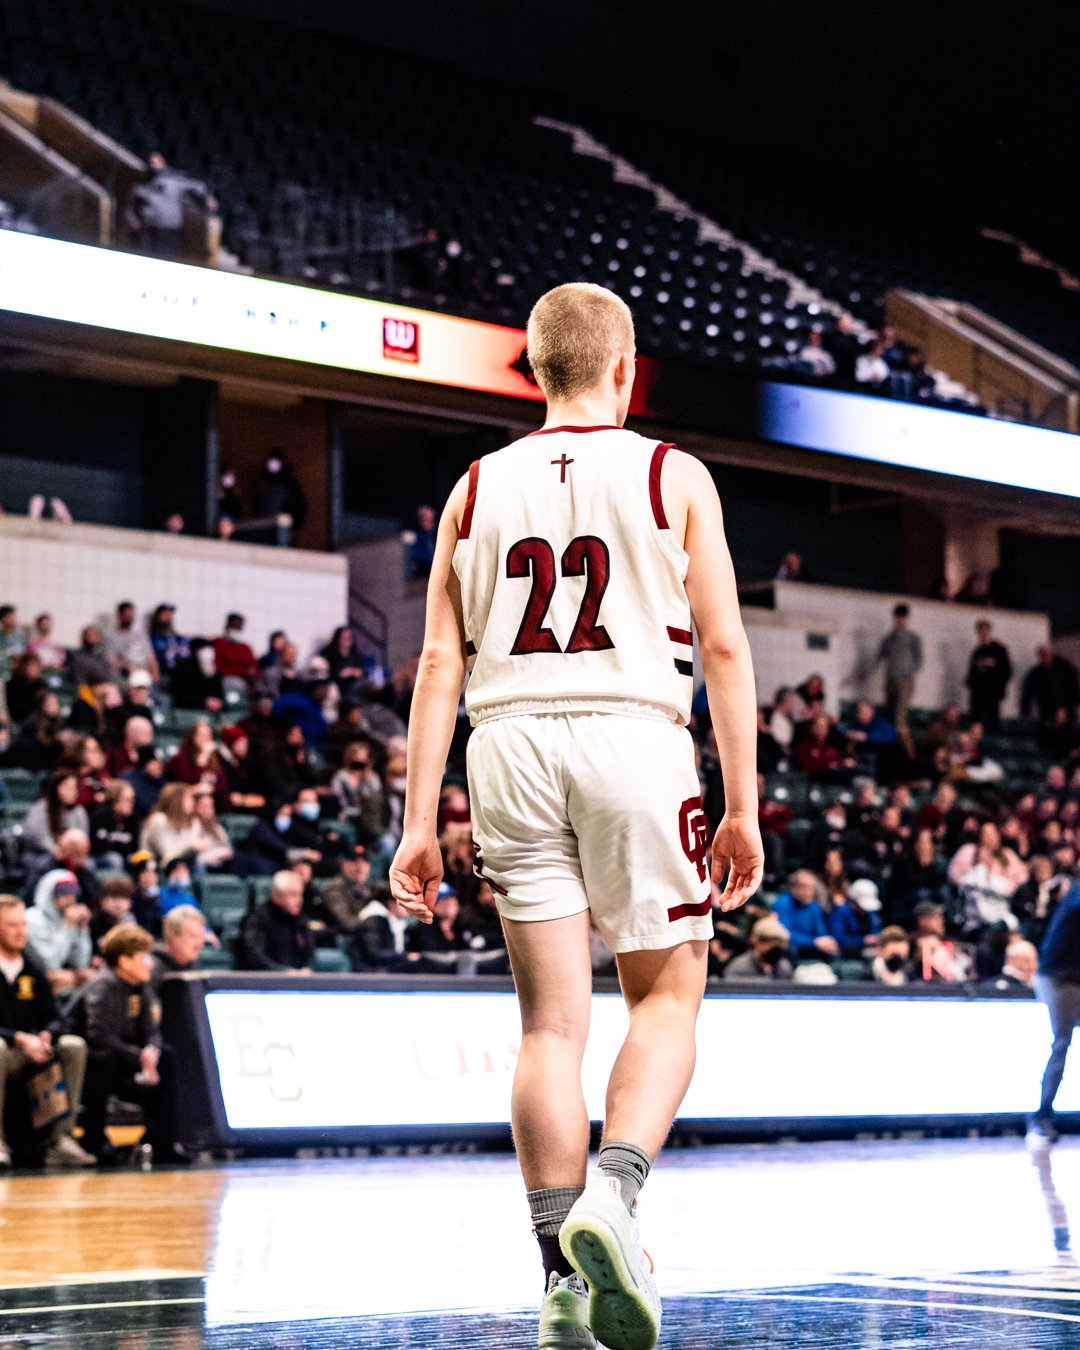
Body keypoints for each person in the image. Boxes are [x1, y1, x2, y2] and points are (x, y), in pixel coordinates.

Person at [388, 282, 762, 1349]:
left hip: (506, 744)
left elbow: (438, 663)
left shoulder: (472, 486)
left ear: (538, 369)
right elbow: (724, 645)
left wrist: (417, 824)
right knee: (668, 998)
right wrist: (742, 803)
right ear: (624, 367)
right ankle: (616, 1193)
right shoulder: (671, 472)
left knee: (550, 1027)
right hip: (632, 733)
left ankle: (560, 1281)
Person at [73, 923, 183, 1164]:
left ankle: (164, 1143)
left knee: (167, 1056)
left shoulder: (140, 987)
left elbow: (152, 1030)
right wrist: (138, 1056)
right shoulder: (104, 985)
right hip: (90, 1063)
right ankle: (93, 1140)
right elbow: (99, 1035)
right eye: (144, 957)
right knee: (104, 1058)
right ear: (124, 961)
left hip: (124, 1059)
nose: (150, 963)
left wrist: (152, 1050)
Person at [0, 895, 95, 1169]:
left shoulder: (34, 968)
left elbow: (55, 1018)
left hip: (31, 1051)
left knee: (73, 1045)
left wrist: (46, 1036)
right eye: (12, 925)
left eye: (23, 924)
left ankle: (60, 1140)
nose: (21, 931)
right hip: (7, 1050)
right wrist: (18, 1038)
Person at [1030, 881, 1080, 1143]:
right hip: (1057, 979)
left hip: (1074, 979)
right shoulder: (1076, 893)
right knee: (1061, 1042)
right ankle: (1042, 1115)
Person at [24, 871, 93, 995]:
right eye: (64, 895)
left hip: (65, 981)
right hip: (33, 979)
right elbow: (51, 963)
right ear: (50, 895)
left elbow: (81, 963)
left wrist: (83, 929)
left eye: (73, 895)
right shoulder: (31, 919)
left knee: (90, 977)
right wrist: (68, 928)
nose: (70, 900)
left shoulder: (68, 917)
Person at [238, 870, 314, 972]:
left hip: (298, 978)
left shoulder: (301, 920)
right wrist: (284, 971)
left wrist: (307, 968)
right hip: (266, 979)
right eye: (293, 895)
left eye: (301, 894)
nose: (300, 900)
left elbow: (310, 955)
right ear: (276, 896)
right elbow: (254, 957)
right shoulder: (257, 919)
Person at [19, 771, 90, 875]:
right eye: (68, 787)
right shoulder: (41, 809)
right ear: (56, 788)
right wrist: (60, 853)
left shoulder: (79, 811)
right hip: (41, 854)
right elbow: (41, 839)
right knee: (47, 864)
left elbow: (82, 838)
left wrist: (73, 855)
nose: (73, 791)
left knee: (89, 865)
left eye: (74, 787)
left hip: (71, 856)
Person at [874, 604, 923, 734]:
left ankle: (901, 741)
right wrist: (867, 670)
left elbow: (919, 659)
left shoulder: (912, 638)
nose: (899, 620)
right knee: (889, 711)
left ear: (906, 619)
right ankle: (889, 739)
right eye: (897, 617)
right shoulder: (889, 638)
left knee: (900, 714)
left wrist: (909, 672)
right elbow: (880, 656)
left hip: (905, 680)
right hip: (890, 679)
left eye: (902, 618)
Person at [771, 871, 840, 961]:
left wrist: (825, 941)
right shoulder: (782, 903)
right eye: (804, 887)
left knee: (832, 949)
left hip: (811, 946)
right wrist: (813, 942)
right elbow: (784, 935)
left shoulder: (814, 906)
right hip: (793, 947)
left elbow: (820, 933)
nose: (809, 892)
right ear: (794, 888)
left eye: (812, 888)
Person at [966, 620, 1012, 733]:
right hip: (978, 694)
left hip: (993, 694)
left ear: (989, 631)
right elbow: (972, 673)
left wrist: (998, 686)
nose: (983, 633)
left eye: (985, 630)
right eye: (980, 631)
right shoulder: (977, 652)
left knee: (992, 721)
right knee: (976, 721)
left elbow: (1007, 671)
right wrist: (971, 683)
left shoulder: (999, 650)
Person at [151, 905, 208, 992]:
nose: (200, 944)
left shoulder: (195, 967)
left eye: (202, 937)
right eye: (194, 936)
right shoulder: (152, 969)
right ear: (174, 936)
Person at [1021, 646, 1080, 728]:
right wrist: (1025, 713)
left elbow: (1074, 686)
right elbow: (1027, 694)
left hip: (1066, 709)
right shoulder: (1036, 674)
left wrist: (1077, 704)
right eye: (1042, 655)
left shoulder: (1065, 668)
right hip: (1049, 711)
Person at [89, 780, 139, 872]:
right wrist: (122, 846)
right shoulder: (100, 815)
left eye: (132, 799)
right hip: (99, 857)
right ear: (114, 800)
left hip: (122, 857)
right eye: (127, 800)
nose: (131, 804)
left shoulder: (132, 819)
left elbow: (134, 847)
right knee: (115, 859)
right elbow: (98, 845)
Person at [723, 916, 793, 981]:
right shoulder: (739, 968)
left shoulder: (784, 967)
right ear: (756, 941)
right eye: (771, 942)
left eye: (779, 944)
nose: (776, 948)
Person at [105, 602, 159, 682]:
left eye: (131, 615)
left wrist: (155, 674)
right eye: (126, 615)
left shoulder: (141, 635)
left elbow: (151, 657)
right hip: (125, 674)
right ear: (119, 615)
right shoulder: (111, 637)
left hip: (145, 672)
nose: (129, 617)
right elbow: (112, 660)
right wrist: (127, 666)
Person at [213, 614, 258, 684]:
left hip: (242, 682)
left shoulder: (245, 648)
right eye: (233, 626)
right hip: (223, 680)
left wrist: (251, 673)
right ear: (227, 626)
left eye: (238, 627)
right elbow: (216, 666)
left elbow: (252, 667)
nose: (236, 630)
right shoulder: (218, 643)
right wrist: (241, 671)